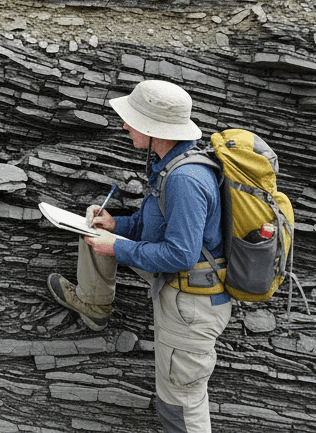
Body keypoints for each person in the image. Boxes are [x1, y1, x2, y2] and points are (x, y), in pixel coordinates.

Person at [46, 79, 232, 433]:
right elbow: (158, 226)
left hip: (191, 306)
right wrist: (118, 225)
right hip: (181, 288)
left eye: (131, 120)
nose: (125, 126)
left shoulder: (186, 179)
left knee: (180, 410)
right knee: (94, 228)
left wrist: (115, 245)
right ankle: (95, 305)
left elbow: (180, 253)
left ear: (153, 129)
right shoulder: (172, 162)